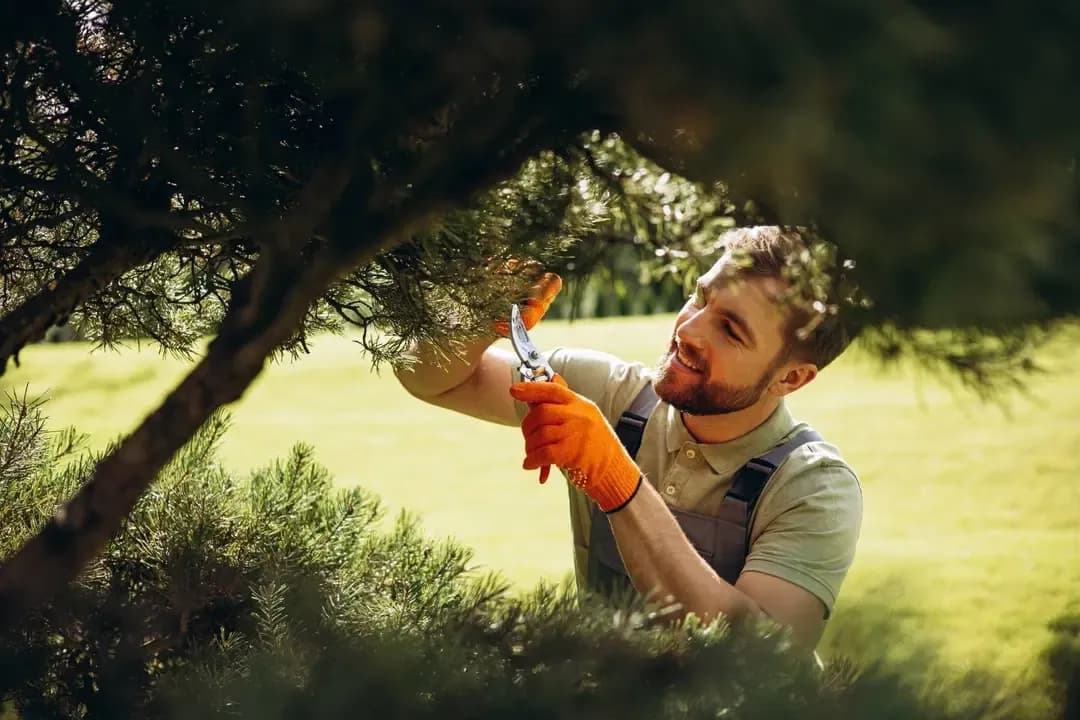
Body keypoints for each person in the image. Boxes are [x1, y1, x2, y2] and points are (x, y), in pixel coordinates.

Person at [395, 226, 862, 649]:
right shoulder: (609, 395)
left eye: (731, 331)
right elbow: (428, 377)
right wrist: (483, 316)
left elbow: (756, 657)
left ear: (792, 378)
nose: (688, 330)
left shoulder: (814, 489)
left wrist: (616, 480)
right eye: (701, 299)